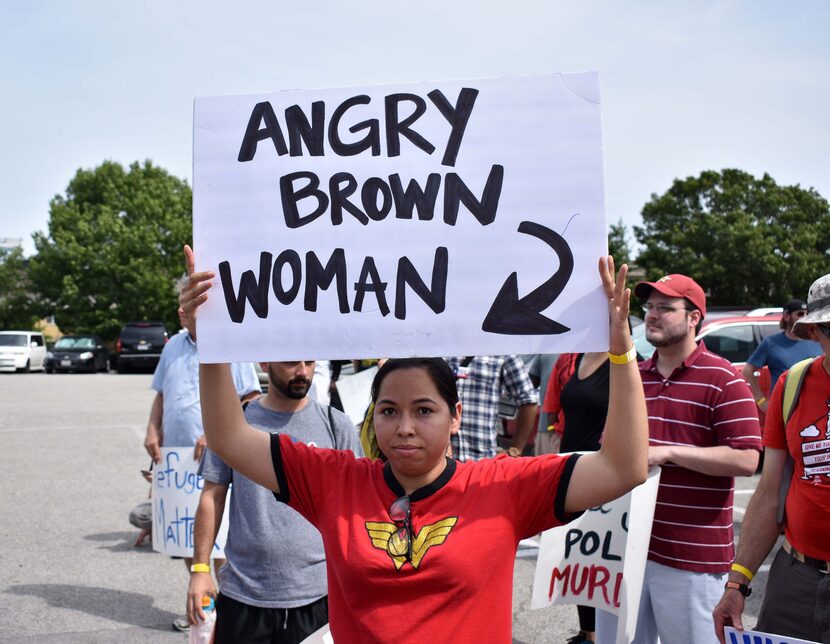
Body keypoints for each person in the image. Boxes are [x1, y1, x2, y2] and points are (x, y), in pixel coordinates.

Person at [180, 247, 649, 642]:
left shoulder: (503, 485)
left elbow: (623, 467)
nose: (404, 427)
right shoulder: (333, 479)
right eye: (388, 411)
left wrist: (621, 350)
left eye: (424, 411)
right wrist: (213, 345)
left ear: (455, 417)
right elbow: (229, 436)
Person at [596, 273, 763, 644]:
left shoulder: (724, 379)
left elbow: (747, 458)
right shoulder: (633, 377)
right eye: (649, 307)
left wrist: (669, 453)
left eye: (665, 308)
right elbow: (608, 446)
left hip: (692, 559)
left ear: (693, 318)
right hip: (625, 549)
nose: (652, 316)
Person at [186, 360, 362, 643]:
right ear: (265, 363)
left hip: (318, 598)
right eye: (292, 362)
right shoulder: (234, 427)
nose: (303, 372)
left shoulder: (335, 424)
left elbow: (356, 508)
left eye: (309, 361)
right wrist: (200, 569)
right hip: (244, 595)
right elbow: (212, 496)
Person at [713, 272, 830, 644]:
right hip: (796, 579)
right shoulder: (792, 384)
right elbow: (767, 493)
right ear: (813, 333)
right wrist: (738, 582)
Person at [144, 306, 260, 631]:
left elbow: (251, 397)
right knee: (187, 538)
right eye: (179, 303)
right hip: (177, 463)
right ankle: (203, 604)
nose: (181, 309)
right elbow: (162, 394)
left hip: (218, 460)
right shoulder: (173, 347)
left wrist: (215, 432)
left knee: (219, 539)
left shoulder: (230, 343)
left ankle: (230, 609)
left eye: (188, 303)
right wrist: (152, 429)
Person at [543, 351, 610, 643]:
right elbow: (557, 409)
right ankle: (589, 633)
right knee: (579, 555)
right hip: (571, 466)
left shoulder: (624, 361)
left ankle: (603, 634)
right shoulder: (575, 357)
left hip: (605, 472)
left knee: (605, 560)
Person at [445, 354, 537, 460]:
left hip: (482, 460)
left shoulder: (500, 350)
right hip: (441, 461)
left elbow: (529, 399)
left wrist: (516, 449)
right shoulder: (438, 347)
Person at [742, 299, 821, 415]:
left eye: (806, 313)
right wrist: (761, 401)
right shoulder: (771, 343)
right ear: (786, 316)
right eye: (800, 314)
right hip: (784, 410)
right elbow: (747, 371)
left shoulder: (816, 340)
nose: (804, 317)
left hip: (814, 408)